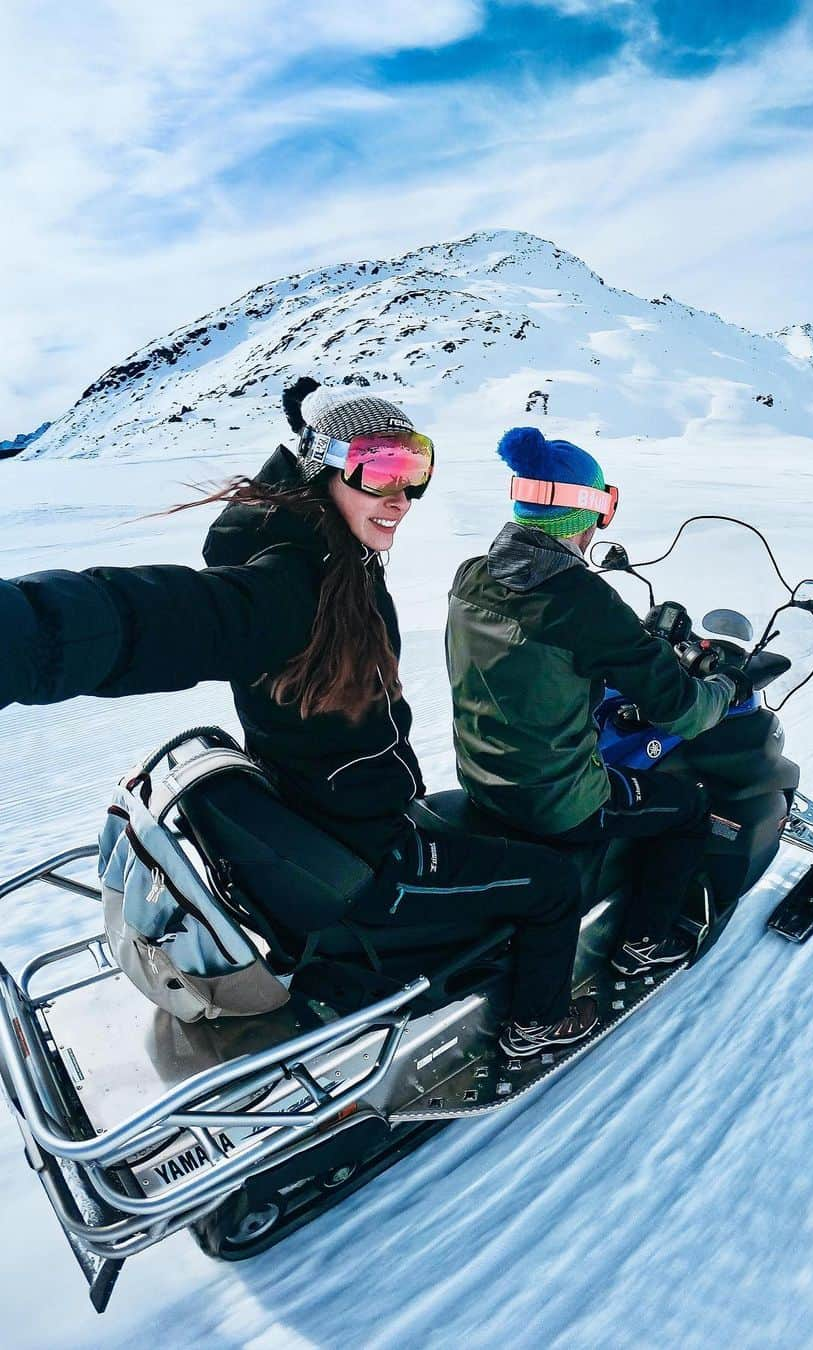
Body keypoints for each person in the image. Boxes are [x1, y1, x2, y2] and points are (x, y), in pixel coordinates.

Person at [0, 381, 598, 1059]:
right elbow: (137, 621)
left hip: (347, 826)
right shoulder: (292, 588)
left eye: (414, 470)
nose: (400, 496)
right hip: (373, 862)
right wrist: (20, 636)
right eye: (378, 470)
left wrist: (309, 419)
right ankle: (536, 1025)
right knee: (553, 885)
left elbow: (324, 458)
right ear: (322, 470)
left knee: (487, 821)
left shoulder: (332, 549)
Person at [446, 426, 748, 979]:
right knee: (687, 808)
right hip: (557, 803)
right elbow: (681, 707)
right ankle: (645, 944)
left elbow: (539, 660)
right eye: (604, 506)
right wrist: (728, 687)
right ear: (587, 512)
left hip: (482, 781)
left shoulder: (473, 575)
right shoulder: (582, 600)